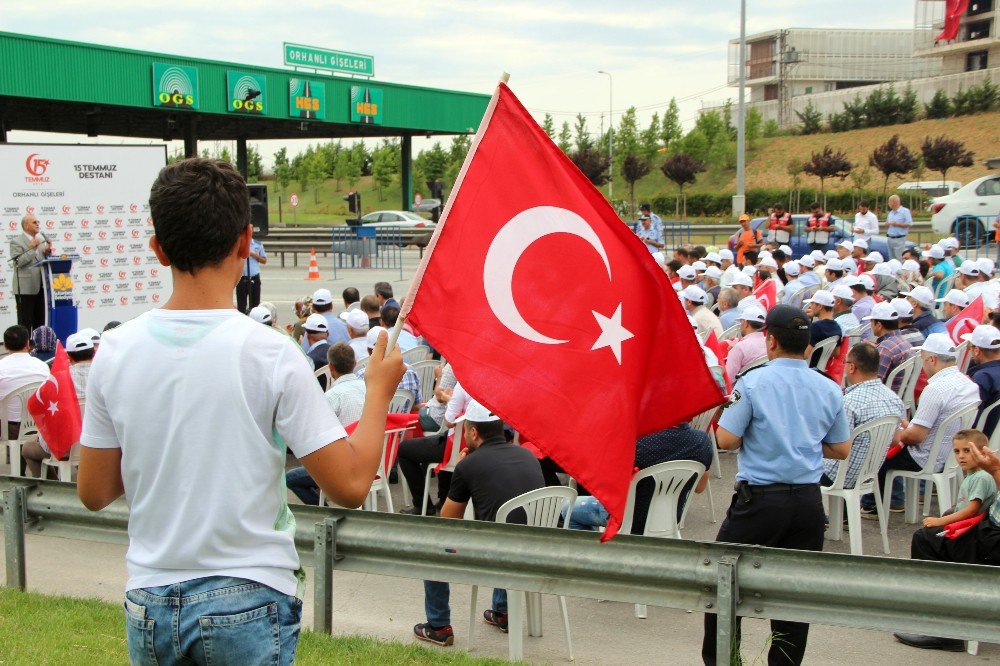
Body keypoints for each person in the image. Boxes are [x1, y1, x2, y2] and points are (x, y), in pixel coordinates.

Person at [76, 157, 405, 665]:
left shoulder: (115, 351)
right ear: (246, 242)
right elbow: (352, 484)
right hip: (250, 596)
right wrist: (378, 390)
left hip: (151, 600)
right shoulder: (271, 352)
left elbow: (94, 491)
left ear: (158, 248)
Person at [703, 305, 850, 666]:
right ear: (808, 345)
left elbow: (726, 439)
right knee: (793, 597)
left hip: (761, 501)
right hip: (807, 503)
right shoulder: (828, 387)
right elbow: (841, 448)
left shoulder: (753, 381)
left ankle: (724, 660)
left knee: (722, 585)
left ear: (770, 340)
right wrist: (802, 439)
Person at [414, 401, 546, 647]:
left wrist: (461, 470)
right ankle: (502, 612)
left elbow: (448, 520)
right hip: (535, 550)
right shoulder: (527, 455)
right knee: (505, 529)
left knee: (432, 548)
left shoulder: (470, 464)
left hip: (497, 555)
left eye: (465, 431)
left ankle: (438, 626)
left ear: (474, 432)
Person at [892, 442, 1000, 651]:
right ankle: (949, 616)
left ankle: (945, 632)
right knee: (945, 522)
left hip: (993, 539)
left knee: (926, 539)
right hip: (989, 527)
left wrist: (994, 470)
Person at [861, 333, 980, 516]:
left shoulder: (935, 389)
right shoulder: (969, 384)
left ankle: (875, 505)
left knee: (875, 453)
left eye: (923, 359)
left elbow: (916, 436)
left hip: (926, 457)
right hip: (950, 454)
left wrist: (894, 432)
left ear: (932, 359)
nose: (923, 365)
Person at [564, 422, 713, 533]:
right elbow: (700, 488)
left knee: (567, 509)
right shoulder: (702, 442)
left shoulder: (635, 442)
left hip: (627, 521)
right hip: (670, 518)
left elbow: (603, 484)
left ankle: (593, 563)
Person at [286, 343, 369, 506]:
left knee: (290, 478)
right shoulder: (368, 388)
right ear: (355, 363)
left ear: (330, 367)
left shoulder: (331, 396)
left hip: (345, 467)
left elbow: (318, 438)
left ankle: (325, 509)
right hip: (374, 463)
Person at [822, 343, 906, 489]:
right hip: (870, 474)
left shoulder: (849, 402)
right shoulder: (894, 399)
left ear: (852, 367)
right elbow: (895, 440)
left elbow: (838, 446)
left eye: (845, 362)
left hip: (838, 475)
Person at [398, 381, 469, 517]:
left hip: (460, 444)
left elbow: (449, 421)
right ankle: (444, 498)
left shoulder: (465, 385)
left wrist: (448, 398)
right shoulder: (500, 383)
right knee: (437, 442)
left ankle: (421, 504)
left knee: (404, 450)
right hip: (484, 444)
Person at [0, 325, 50, 441]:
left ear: (5, 346)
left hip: (9, 429)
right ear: (28, 344)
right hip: (39, 426)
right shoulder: (43, 367)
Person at [355, 327, 422, 403]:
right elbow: (417, 404)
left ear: (368, 351)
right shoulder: (410, 371)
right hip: (404, 414)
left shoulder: (361, 375)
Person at [9, 214, 52, 331]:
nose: (38, 224)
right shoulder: (16, 241)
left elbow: (43, 260)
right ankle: (24, 345)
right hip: (25, 288)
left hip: (41, 286)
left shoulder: (40, 241)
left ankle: (38, 345)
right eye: (34, 222)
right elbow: (19, 262)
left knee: (40, 319)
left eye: (38, 221)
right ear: (26, 225)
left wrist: (48, 251)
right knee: (25, 320)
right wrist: (32, 249)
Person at [863, 302, 913, 392]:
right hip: (900, 397)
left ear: (878, 325)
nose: (870, 325)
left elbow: (873, 385)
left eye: (871, 322)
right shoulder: (905, 343)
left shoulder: (885, 349)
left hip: (883, 398)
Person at [964, 325, 1000, 438]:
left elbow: (971, 420)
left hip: (982, 440)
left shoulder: (982, 377)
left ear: (977, 350)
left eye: (970, 346)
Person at [725, 306, 767, 384]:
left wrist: (732, 353)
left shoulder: (740, 347)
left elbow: (728, 379)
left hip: (743, 390)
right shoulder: (770, 343)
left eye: (741, 322)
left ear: (745, 323)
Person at [803, 290, 842, 368]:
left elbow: (804, 355)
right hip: (822, 370)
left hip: (809, 368)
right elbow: (836, 353)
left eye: (812, 303)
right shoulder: (837, 327)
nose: (810, 306)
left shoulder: (815, 327)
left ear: (820, 306)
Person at [236, 235, 266, 314]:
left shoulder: (257, 244)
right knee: (241, 306)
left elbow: (264, 260)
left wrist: (255, 255)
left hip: (254, 277)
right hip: (241, 277)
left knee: (255, 306)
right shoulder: (237, 244)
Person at [885, 194, 913, 261]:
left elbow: (909, 224)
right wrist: (888, 223)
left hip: (899, 239)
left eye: (889, 202)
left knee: (899, 259)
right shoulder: (891, 213)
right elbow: (887, 222)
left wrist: (897, 224)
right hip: (890, 238)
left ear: (894, 202)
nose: (888, 204)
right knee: (891, 260)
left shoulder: (905, 211)